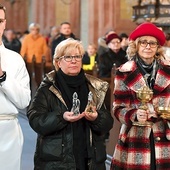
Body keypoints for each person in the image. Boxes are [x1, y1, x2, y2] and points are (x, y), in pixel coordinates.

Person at [27, 38, 113, 170]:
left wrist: (97, 118)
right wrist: (61, 117)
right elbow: (35, 119)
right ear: (58, 62)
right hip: (58, 160)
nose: (74, 60)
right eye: (68, 57)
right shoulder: (48, 87)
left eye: (77, 56)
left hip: (90, 159)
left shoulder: (95, 87)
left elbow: (108, 122)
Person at [110, 22, 170, 170]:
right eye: (143, 42)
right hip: (135, 136)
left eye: (152, 43)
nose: (148, 46)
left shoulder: (168, 70)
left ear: (157, 47)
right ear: (136, 45)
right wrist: (134, 115)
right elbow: (118, 108)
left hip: (164, 133)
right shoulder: (123, 72)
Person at [0, 4, 31, 170]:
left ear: (5, 24)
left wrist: (3, 77)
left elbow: (24, 101)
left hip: (8, 132)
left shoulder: (15, 59)